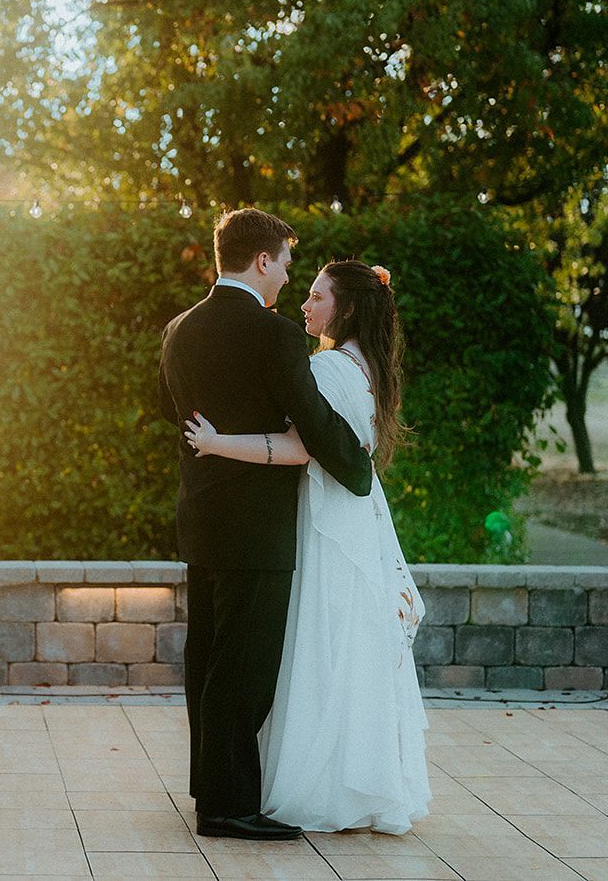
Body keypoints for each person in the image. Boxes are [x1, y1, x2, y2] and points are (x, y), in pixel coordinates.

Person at [184, 259, 432, 834]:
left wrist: (219, 442)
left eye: (317, 297)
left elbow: (300, 448)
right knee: (346, 644)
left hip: (323, 521)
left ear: (343, 309)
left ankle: (310, 783)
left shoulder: (327, 368)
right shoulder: (366, 366)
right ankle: (349, 779)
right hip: (356, 517)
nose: (304, 305)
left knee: (319, 642)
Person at [157, 209, 373, 842]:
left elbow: (168, 409)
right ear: (261, 262)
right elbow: (308, 416)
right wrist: (357, 467)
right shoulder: (276, 336)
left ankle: (210, 786)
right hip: (258, 526)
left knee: (207, 658)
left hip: (202, 519)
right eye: (283, 262)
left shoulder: (178, 329)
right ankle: (226, 807)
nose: (286, 274)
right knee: (245, 668)